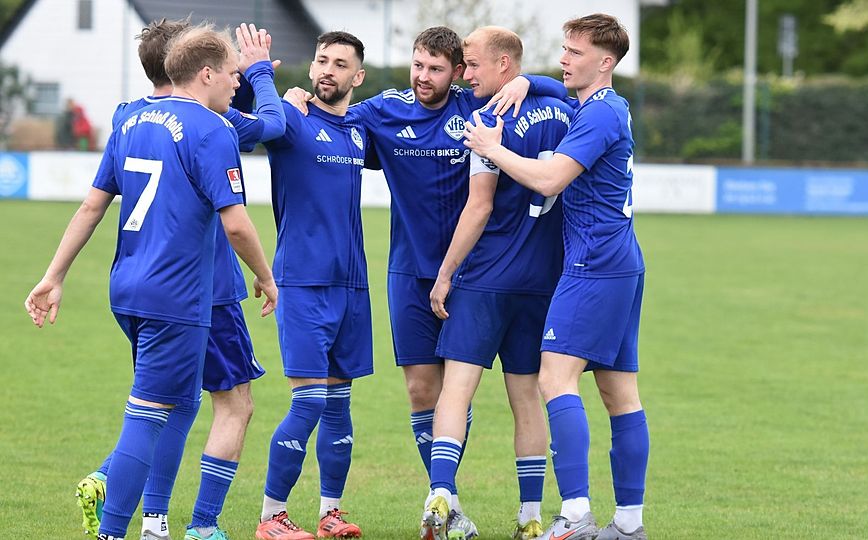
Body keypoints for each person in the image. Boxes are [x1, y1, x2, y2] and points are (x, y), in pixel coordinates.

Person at [285, 27, 567, 533]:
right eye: (418, 65)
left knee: (457, 390)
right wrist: (294, 95)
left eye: (436, 69)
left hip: (474, 275)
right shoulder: (385, 111)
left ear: (458, 71)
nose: (423, 77)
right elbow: (331, 114)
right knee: (422, 390)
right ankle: (448, 501)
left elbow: (557, 88)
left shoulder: (477, 110)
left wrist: (529, 82)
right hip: (409, 271)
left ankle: (449, 494)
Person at [24, 24, 278, 540]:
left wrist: (54, 275)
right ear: (205, 73)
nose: (236, 82)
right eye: (231, 74)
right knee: (147, 413)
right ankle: (114, 532)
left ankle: (155, 522)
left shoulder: (130, 118)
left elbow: (94, 203)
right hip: (177, 294)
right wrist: (266, 276)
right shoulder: (213, 131)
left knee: (180, 402)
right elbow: (235, 222)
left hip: (127, 287)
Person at [463, 13, 651, 540]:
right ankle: (629, 526)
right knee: (619, 393)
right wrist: (530, 80)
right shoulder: (606, 105)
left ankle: (574, 517)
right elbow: (558, 86)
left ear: (605, 62)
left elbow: (548, 180)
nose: (563, 59)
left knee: (554, 378)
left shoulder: (598, 117)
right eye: (564, 49)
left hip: (594, 265)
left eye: (574, 51)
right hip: (619, 262)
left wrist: (492, 148)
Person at [419, 26, 571, 540]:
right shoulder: (567, 114)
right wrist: (534, 82)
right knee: (526, 397)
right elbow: (557, 90)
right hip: (544, 282)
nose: (466, 73)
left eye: (474, 64)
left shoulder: (487, 121)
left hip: (486, 278)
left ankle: (440, 494)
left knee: (457, 389)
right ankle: (530, 517)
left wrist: (444, 276)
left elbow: (479, 206)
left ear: (505, 65)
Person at [256, 31, 370, 540]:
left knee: (340, 405)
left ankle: (330, 513)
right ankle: (271, 517)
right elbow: (241, 114)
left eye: (340, 63)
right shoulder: (291, 122)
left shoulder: (361, 132)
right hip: (302, 283)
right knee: (309, 403)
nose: (328, 69)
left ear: (357, 77)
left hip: (353, 288)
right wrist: (262, 76)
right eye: (322, 60)